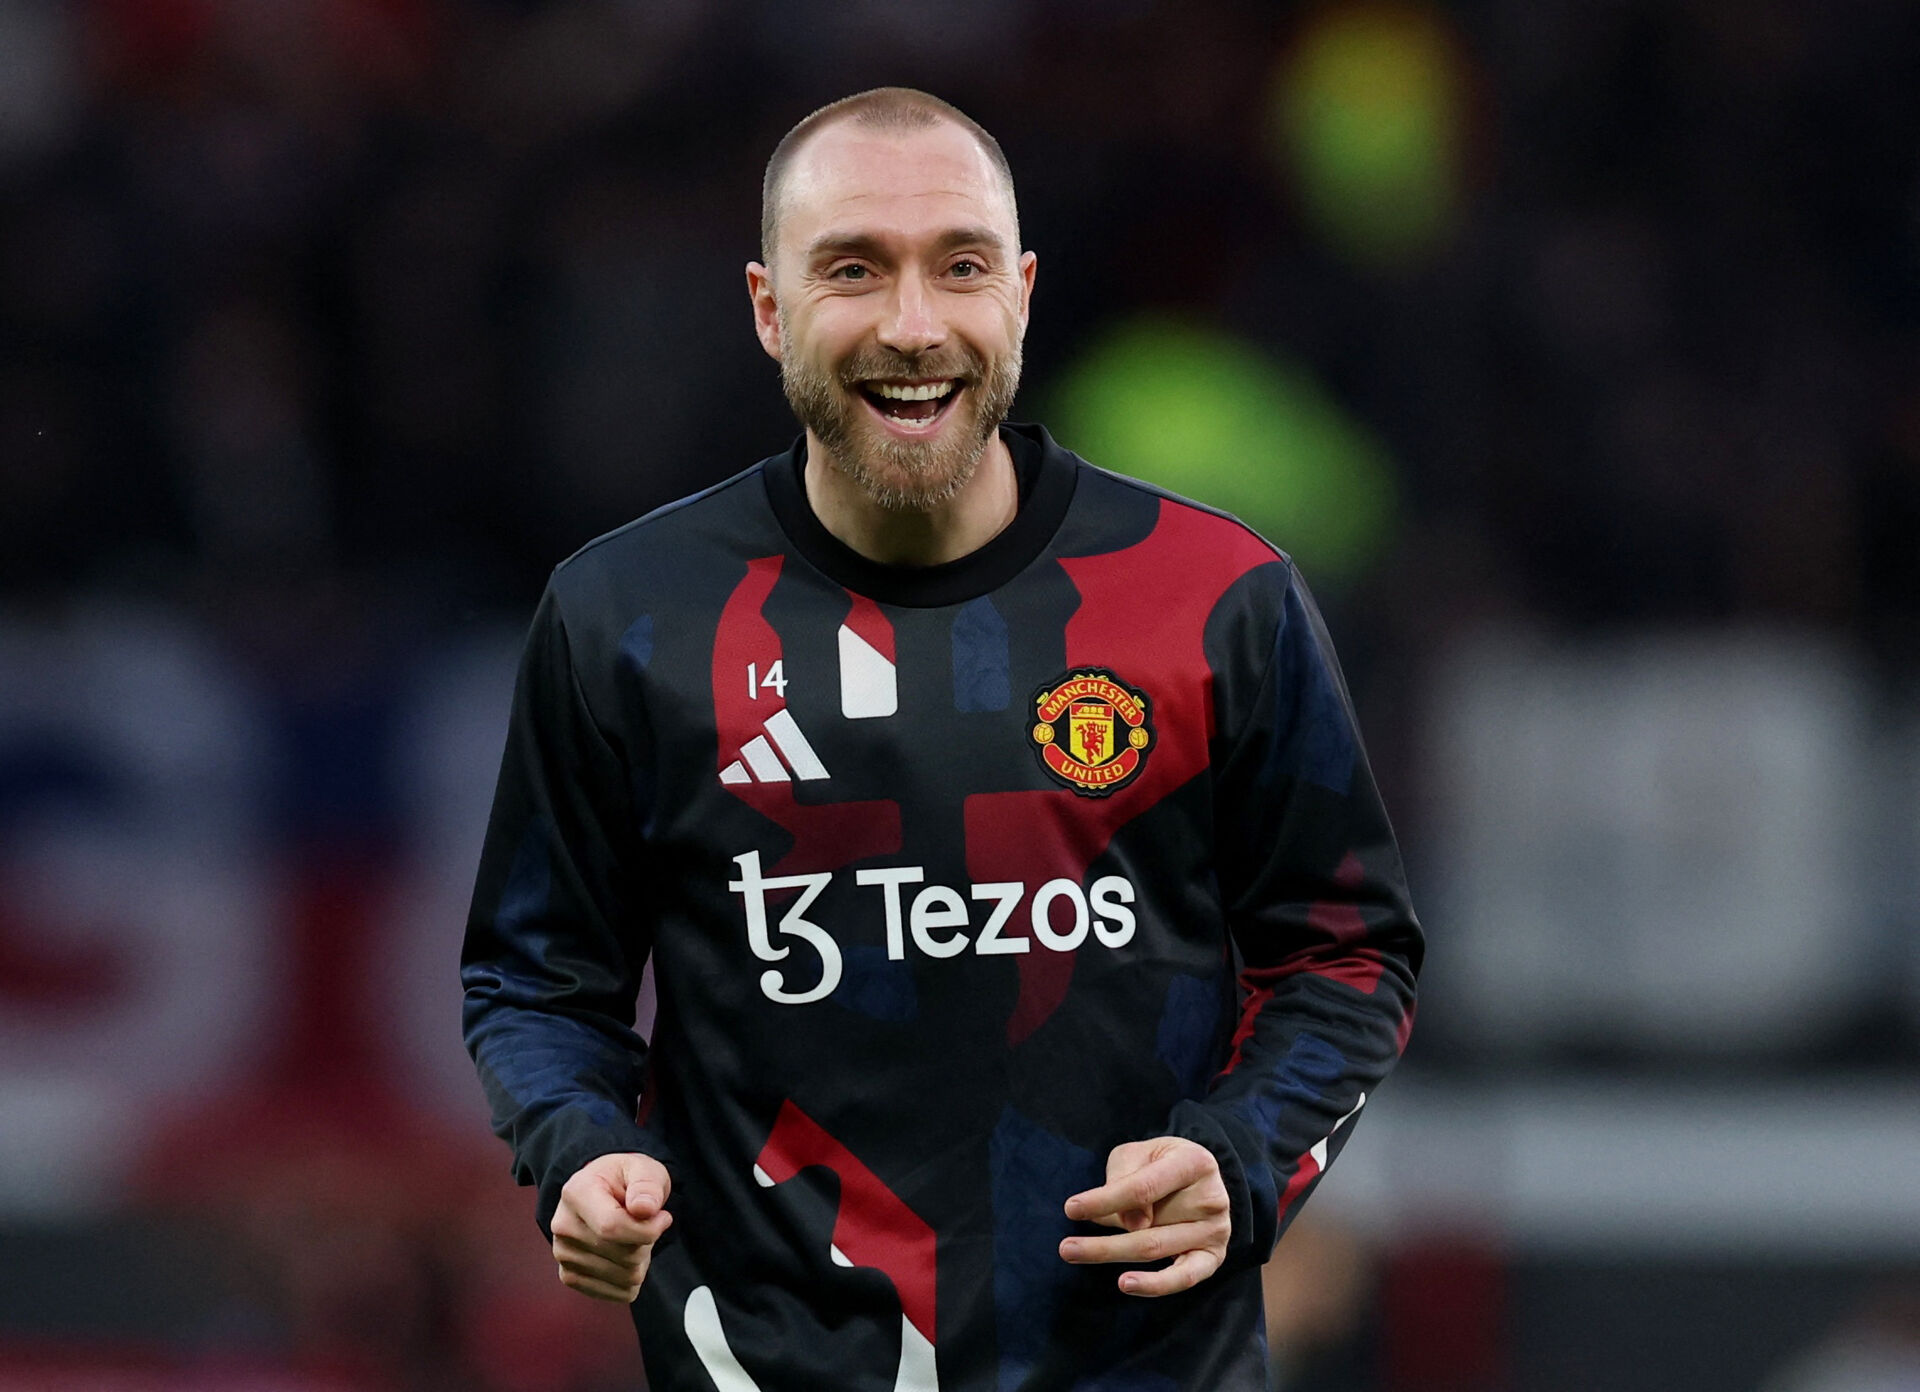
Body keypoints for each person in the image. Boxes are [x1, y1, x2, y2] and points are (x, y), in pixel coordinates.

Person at [461, 87, 1421, 1392]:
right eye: (853, 270)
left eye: (959, 267)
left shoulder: (1217, 599)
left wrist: (1240, 1155)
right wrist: (577, 1146)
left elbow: (1347, 951)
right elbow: (535, 979)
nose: (913, 326)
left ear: (1019, 296)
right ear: (768, 309)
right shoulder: (624, 616)